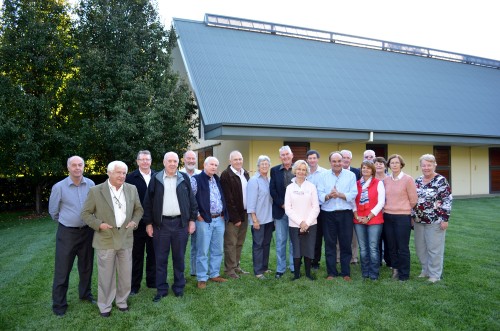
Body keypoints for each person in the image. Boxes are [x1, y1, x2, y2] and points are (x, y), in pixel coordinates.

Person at [81, 161, 143, 317]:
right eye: (118, 172)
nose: (122, 176)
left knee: (125, 274)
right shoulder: (96, 191)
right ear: (109, 173)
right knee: (105, 275)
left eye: (124, 173)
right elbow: (86, 214)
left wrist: (134, 222)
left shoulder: (131, 189)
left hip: (126, 238)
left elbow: (138, 209)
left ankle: (122, 301)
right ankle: (105, 305)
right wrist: (99, 225)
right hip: (106, 238)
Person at [142, 152, 197, 301]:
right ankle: (161, 289)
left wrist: (192, 220)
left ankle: (179, 287)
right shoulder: (156, 179)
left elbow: (192, 202)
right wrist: (148, 223)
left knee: (179, 258)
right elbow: (147, 204)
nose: (172, 164)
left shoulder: (184, 178)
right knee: (160, 259)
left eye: (175, 161)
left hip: (180, 225)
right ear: (164, 162)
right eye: (169, 161)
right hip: (161, 225)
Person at [49, 156, 96, 317]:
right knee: (63, 269)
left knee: (86, 266)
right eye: (73, 165)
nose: (77, 168)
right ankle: (59, 304)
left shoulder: (90, 184)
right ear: (68, 168)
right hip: (67, 233)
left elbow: (94, 207)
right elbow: (53, 212)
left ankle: (85, 294)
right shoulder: (59, 187)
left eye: (80, 165)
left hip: (88, 232)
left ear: (84, 167)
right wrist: (67, 221)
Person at [317, 152, 357, 281]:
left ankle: (346, 272)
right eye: (334, 161)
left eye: (339, 161)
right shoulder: (323, 176)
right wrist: (329, 195)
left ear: (343, 161)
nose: (337, 163)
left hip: (345, 213)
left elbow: (353, 193)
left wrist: (339, 194)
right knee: (330, 243)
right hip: (328, 214)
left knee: (346, 243)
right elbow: (320, 194)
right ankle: (331, 273)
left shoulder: (350, 175)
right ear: (330, 162)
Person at [413, 154, 452, 283]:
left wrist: (445, 218)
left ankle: (435, 274)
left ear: (434, 165)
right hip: (419, 220)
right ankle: (425, 270)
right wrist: (412, 216)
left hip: (435, 220)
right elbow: (413, 200)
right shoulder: (417, 181)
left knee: (434, 249)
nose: (426, 168)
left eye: (429, 165)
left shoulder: (441, 180)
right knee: (420, 247)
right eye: (424, 165)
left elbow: (447, 200)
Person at [191, 156, 228, 289]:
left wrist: (223, 213)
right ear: (204, 165)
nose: (213, 167)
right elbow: (191, 199)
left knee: (217, 249)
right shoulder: (196, 179)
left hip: (219, 219)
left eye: (215, 165)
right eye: (211, 164)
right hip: (204, 220)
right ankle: (202, 277)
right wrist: (198, 215)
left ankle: (214, 274)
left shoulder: (217, 179)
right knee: (202, 250)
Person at [125, 150, 156, 295]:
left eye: (147, 159)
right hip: (136, 223)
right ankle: (134, 285)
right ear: (137, 161)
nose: (144, 162)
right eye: (141, 159)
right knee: (136, 255)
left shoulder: (158, 176)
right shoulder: (130, 178)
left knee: (153, 254)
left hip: (155, 222)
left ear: (151, 161)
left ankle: (152, 281)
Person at [383, 154, 417, 281]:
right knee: (391, 246)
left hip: (402, 217)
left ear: (401, 164)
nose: (394, 165)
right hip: (388, 216)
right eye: (392, 163)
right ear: (389, 165)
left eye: (397, 162)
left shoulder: (408, 179)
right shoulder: (386, 180)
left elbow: (413, 200)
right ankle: (395, 270)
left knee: (402, 247)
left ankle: (404, 274)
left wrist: (403, 207)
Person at [285, 160, 320, 280]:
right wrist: (300, 222)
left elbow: (316, 207)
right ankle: (296, 275)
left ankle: (309, 273)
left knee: (309, 248)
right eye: (299, 169)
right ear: (295, 170)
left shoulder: (311, 187)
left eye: (304, 169)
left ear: (307, 172)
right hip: (295, 224)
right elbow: (288, 208)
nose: (301, 171)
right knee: (297, 249)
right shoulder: (289, 188)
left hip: (311, 224)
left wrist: (307, 222)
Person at [353, 161, 385, 280]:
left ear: (372, 170)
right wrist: (357, 216)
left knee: (372, 247)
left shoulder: (378, 183)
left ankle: (374, 273)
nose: (365, 170)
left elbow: (381, 202)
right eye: (363, 168)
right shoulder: (356, 184)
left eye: (368, 168)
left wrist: (368, 217)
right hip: (359, 219)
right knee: (363, 247)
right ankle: (365, 272)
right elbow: (352, 201)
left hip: (374, 219)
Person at [220, 151, 250, 279]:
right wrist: (235, 218)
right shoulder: (226, 175)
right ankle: (229, 270)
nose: (238, 161)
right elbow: (228, 199)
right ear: (230, 161)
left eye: (240, 159)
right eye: (235, 159)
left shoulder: (245, 173)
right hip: (234, 217)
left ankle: (236, 266)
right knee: (230, 243)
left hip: (245, 213)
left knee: (239, 242)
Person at [270, 145, 295, 278]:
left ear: (292, 155)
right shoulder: (274, 170)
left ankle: (292, 266)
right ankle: (280, 268)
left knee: (293, 240)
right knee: (280, 240)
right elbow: (272, 190)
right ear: (280, 157)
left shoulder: (298, 169)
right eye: (283, 155)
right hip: (280, 211)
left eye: (287, 154)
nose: (285, 157)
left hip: (295, 212)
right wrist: (282, 204)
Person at [247, 155, 274, 279]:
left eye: (266, 164)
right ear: (258, 166)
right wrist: (254, 219)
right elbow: (251, 202)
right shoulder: (254, 180)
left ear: (269, 166)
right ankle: (258, 271)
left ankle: (264, 267)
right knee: (258, 245)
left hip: (269, 219)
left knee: (266, 244)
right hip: (258, 220)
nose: (264, 166)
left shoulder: (268, 180)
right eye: (262, 164)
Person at [179, 150, 202, 277]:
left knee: (197, 245)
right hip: (181, 217)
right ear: (184, 160)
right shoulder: (178, 174)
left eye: (193, 158)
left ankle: (195, 270)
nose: (191, 161)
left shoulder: (200, 174)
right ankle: (180, 273)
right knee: (181, 247)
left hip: (198, 216)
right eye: (189, 158)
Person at [306, 150, 326, 270]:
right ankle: (306, 258)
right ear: (307, 160)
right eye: (310, 158)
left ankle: (315, 262)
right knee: (306, 236)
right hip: (305, 210)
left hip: (320, 209)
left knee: (318, 236)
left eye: (314, 158)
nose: (312, 160)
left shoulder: (324, 173)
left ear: (317, 159)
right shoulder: (304, 172)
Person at [340, 149, 360, 265]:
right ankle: (338, 258)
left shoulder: (357, 172)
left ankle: (354, 258)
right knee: (339, 236)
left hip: (354, 207)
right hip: (340, 207)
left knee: (353, 236)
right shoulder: (333, 172)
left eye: (348, 158)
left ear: (350, 160)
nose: (346, 159)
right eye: (344, 157)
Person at [374, 157, 390, 267]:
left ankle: (389, 260)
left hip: (388, 213)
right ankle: (377, 260)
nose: (379, 166)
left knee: (388, 238)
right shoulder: (370, 179)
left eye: (381, 164)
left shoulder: (390, 179)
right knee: (376, 238)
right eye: (376, 164)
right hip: (374, 214)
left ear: (385, 166)